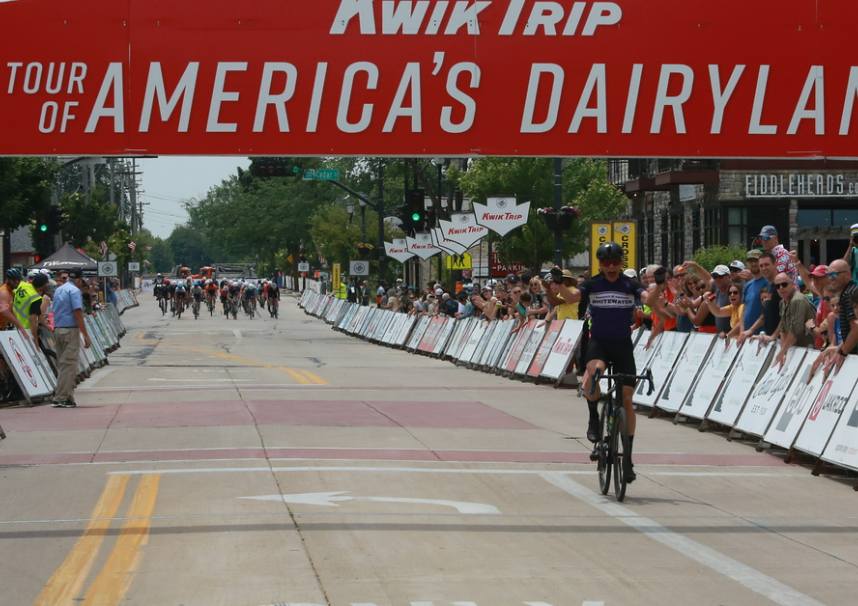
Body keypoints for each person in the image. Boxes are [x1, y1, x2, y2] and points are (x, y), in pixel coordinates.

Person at [562, 242, 660, 484]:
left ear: (621, 262)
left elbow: (649, 298)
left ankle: (627, 458)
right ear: (600, 264)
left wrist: (660, 285)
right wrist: (559, 285)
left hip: (623, 346)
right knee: (593, 374)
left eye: (616, 261)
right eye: (606, 263)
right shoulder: (593, 283)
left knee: (627, 398)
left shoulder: (630, 284)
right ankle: (593, 415)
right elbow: (573, 296)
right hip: (599, 343)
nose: (612, 266)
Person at [51, 269, 91, 408]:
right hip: (70, 329)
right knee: (69, 365)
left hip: (58, 329)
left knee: (63, 365)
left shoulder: (59, 290)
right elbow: (77, 312)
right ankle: (60, 397)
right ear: (79, 280)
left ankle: (68, 397)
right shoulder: (74, 292)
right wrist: (85, 334)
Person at [826, 259, 858, 354]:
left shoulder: (850, 293)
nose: (831, 278)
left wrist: (842, 353)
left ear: (848, 274)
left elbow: (856, 328)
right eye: (829, 275)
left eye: (834, 274)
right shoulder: (847, 292)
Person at [14, 270, 45, 347]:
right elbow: (33, 320)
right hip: (26, 330)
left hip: (13, 326)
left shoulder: (22, 285)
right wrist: (35, 339)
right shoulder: (36, 298)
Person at [741, 250, 767, 335]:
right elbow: (744, 310)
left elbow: (767, 312)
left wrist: (751, 330)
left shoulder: (768, 283)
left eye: (756, 261)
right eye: (750, 261)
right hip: (746, 335)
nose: (753, 264)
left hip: (762, 336)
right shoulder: (747, 285)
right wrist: (742, 331)